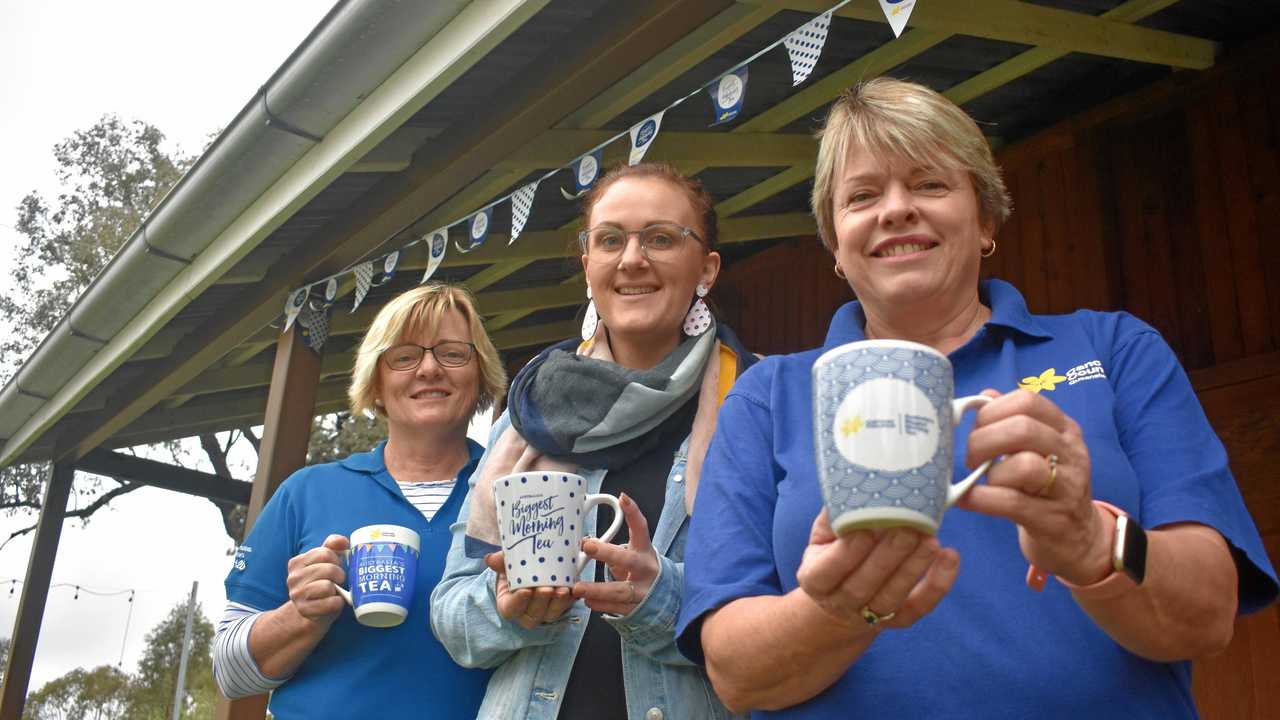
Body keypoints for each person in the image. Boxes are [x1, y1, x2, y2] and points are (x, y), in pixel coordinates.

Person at [676, 78, 1279, 718]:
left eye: (930, 184)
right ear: (835, 242)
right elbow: (735, 676)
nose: (896, 209)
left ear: (985, 217)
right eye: (862, 196)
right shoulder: (768, 398)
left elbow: (1209, 616)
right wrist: (837, 611)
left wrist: (1092, 541)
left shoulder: (1116, 350)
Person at [431, 162, 754, 719]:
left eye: (660, 238)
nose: (632, 259)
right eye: (610, 240)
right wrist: (508, 609)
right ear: (589, 266)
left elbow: (782, 611)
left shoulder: (753, 402)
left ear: (706, 268)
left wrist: (659, 599)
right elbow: (454, 616)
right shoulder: (530, 414)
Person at [213, 284, 505, 718]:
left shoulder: (514, 493)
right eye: (404, 356)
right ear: (376, 379)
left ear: (480, 374)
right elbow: (230, 673)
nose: (429, 369)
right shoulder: (307, 493)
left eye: (452, 353)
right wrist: (302, 615)